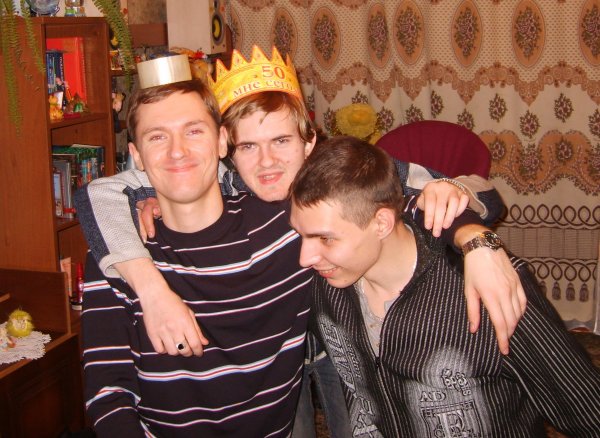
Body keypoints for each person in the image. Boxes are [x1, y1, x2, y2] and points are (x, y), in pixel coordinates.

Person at [76, 47, 525, 436]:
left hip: (326, 351)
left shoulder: (317, 202)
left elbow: (451, 192)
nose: (267, 162)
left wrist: (474, 237)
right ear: (230, 147)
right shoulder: (126, 245)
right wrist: (150, 284)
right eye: (249, 146)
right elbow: (99, 192)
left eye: (193, 130)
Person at [289, 135, 600, 437]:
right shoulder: (327, 287)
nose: (305, 258)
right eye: (301, 235)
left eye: (325, 238)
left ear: (381, 223)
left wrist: (480, 239)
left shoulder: (486, 288)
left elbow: (586, 410)